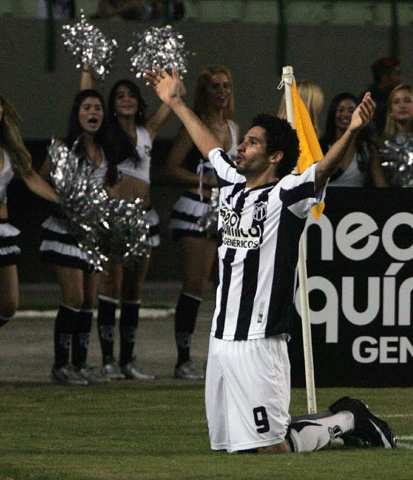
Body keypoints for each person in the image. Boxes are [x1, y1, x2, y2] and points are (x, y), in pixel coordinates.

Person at [145, 66, 396, 453]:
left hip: (261, 341)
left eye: (252, 143)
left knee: (272, 449)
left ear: (275, 156)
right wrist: (176, 102)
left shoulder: (287, 195)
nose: (241, 147)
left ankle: (348, 419)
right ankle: (344, 418)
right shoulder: (229, 182)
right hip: (221, 338)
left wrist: (351, 131)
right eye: (243, 141)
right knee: (236, 447)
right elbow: (207, 143)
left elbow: (324, 168)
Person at [0, 86, 59, 387]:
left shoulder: (8, 144)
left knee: (7, 305)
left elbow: (31, 177)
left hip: (1, 232)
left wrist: (62, 202)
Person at [81, 70, 172, 380]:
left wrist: (170, 72)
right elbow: (84, 100)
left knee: (133, 289)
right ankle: (107, 361)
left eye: (131, 95)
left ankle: (127, 361)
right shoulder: (105, 132)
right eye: (120, 97)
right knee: (111, 285)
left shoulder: (147, 132)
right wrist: (86, 69)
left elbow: (173, 101)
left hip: (144, 217)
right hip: (114, 218)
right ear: (112, 104)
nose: (126, 101)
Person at [39, 89, 118, 385]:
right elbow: (41, 179)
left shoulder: (105, 149)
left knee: (88, 301)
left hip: (93, 235)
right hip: (65, 231)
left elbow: (108, 188)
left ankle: (80, 364)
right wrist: (62, 201)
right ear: (77, 113)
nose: (93, 113)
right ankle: (60, 365)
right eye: (87, 107)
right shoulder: (64, 147)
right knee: (73, 297)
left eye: (98, 108)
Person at [166, 65, 238, 380]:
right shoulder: (194, 126)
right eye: (214, 87)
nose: (221, 92)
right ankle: (183, 359)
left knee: (227, 286)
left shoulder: (235, 128)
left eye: (226, 86)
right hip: (196, 211)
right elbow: (170, 169)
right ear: (203, 91)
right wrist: (206, 181)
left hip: (227, 213)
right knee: (195, 283)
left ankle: (225, 356)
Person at [319, 92, 376, 187]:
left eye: (351, 110)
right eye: (340, 110)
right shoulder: (320, 146)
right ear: (333, 114)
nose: (345, 114)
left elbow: (378, 181)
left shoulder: (367, 149)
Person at [363, 56, 402, 139]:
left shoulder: (393, 98)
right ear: (384, 76)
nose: (400, 79)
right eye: (397, 74)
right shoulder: (369, 101)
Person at [93, 0, 163, 20]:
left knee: (132, 4)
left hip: (144, 10)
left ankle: (110, 14)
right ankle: (101, 13)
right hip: (126, 8)